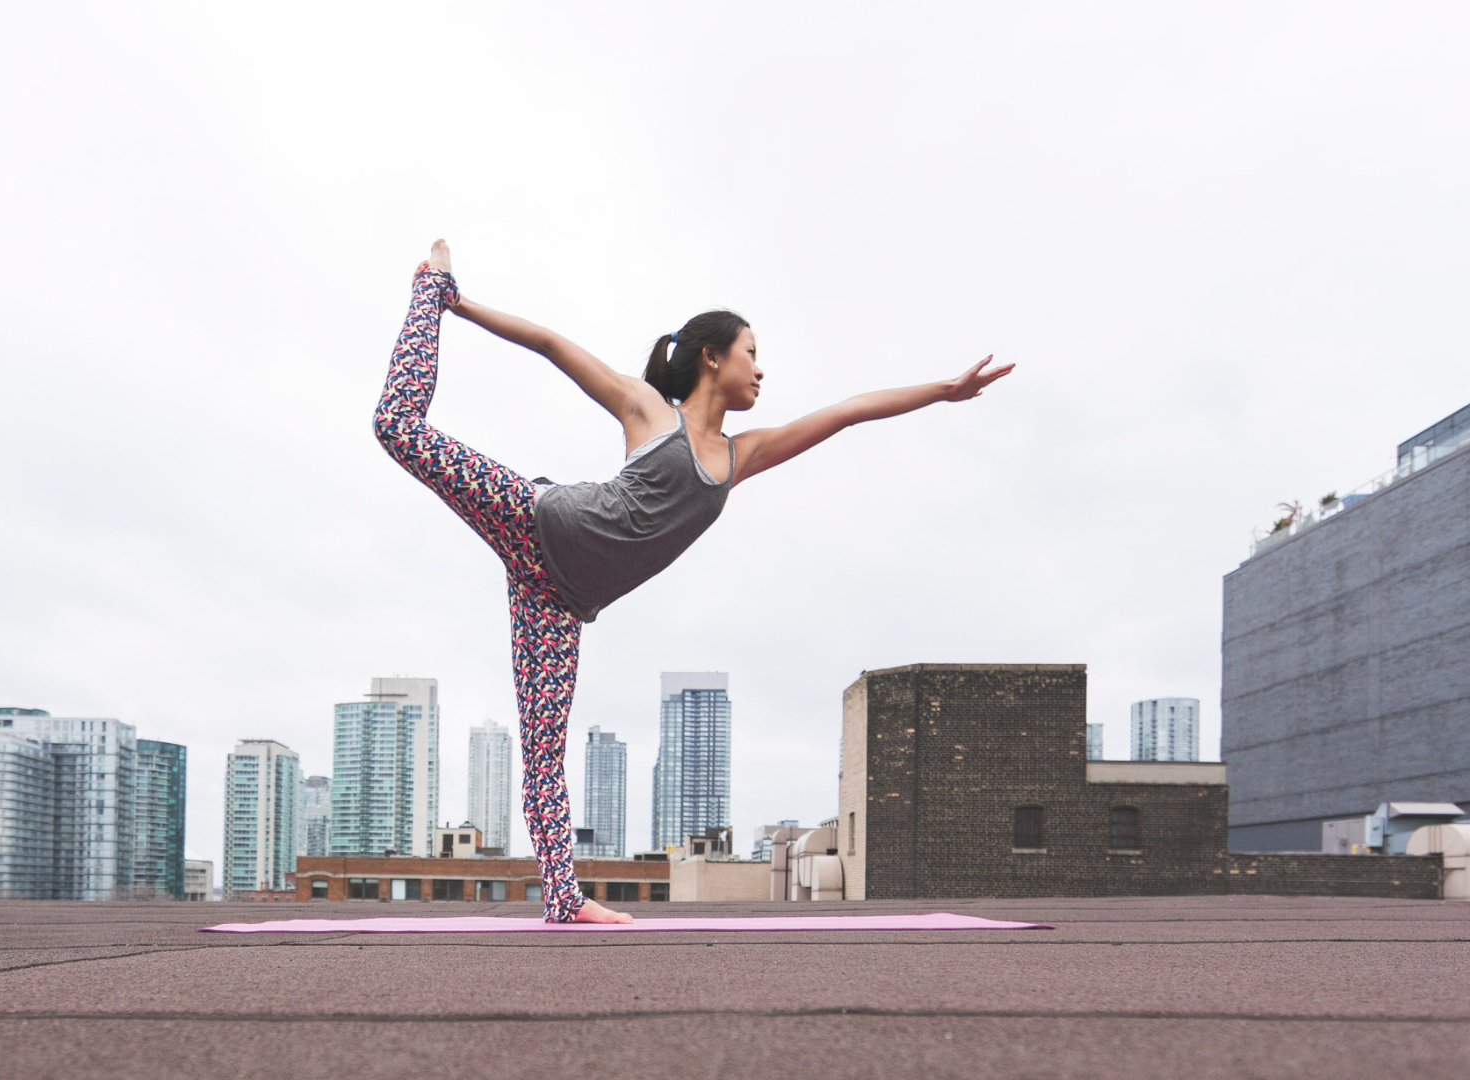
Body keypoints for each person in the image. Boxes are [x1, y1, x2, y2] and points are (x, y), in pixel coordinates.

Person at [373, 240, 1013, 922]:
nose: (761, 370)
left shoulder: (742, 455)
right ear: (713, 356)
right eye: (751, 352)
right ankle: (426, 289)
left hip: (558, 600)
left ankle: (563, 900)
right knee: (396, 426)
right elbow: (554, 345)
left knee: (543, 752)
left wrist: (944, 392)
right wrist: (456, 300)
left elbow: (847, 411)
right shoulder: (651, 412)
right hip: (539, 520)